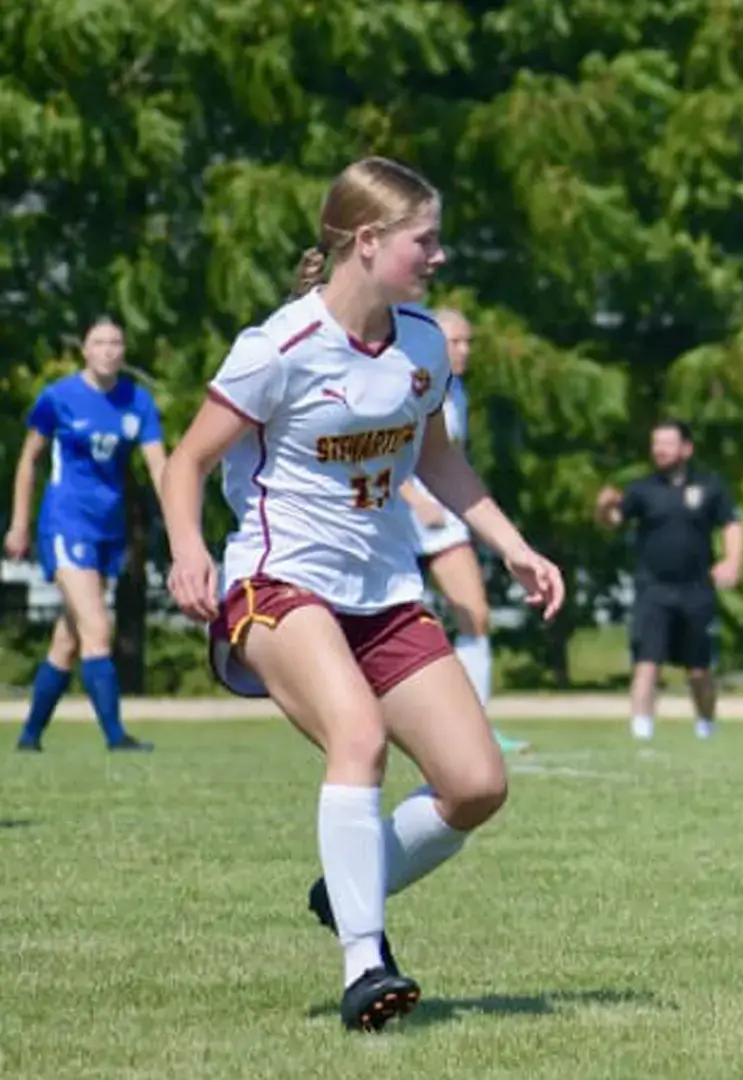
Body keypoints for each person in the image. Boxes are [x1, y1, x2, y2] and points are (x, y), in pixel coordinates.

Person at [157, 157, 565, 1032]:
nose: (439, 256)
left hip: (384, 593)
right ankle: (365, 965)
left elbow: (440, 459)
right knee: (359, 736)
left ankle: (349, 883)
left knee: (476, 784)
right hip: (278, 582)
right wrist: (188, 550)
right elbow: (186, 462)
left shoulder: (421, 343)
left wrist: (515, 548)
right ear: (369, 241)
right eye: (427, 240)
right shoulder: (280, 348)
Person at [7, 316, 164, 752]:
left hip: (107, 529)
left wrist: (179, 520)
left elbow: (159, 466)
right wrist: (19, 523)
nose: (109, 350)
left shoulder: (137, 402)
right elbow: (29, 460)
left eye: (116, 342)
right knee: (97, 627)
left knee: (69, 640)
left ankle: (29, 737)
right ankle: (116, 737)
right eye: (100, 342)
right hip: (66, 522)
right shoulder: (58, 398)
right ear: (85, 350)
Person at [394, 306, 528, 754]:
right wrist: (415, 499)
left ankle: (477, 729)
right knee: (386, 623)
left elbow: (449, 461)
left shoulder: (457, 393)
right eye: (455, 341)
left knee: (475, 615)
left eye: (469, 341)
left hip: (444, 522)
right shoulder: (403, 381)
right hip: (394, 518)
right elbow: (383, 453)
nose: (464, 350)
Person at [594, 420, 743, 741]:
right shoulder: (641, 489)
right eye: (656, 443)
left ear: (686, 449)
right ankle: (641, 732)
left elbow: (731, 525)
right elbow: (614, 520)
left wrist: (733, 561)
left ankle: (706, 726)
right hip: (653, 589)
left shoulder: (710, 486)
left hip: (696, 589)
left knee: (699, 670)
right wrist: (604, 508)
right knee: (647, 662)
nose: (659, 450)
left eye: (667, 443)